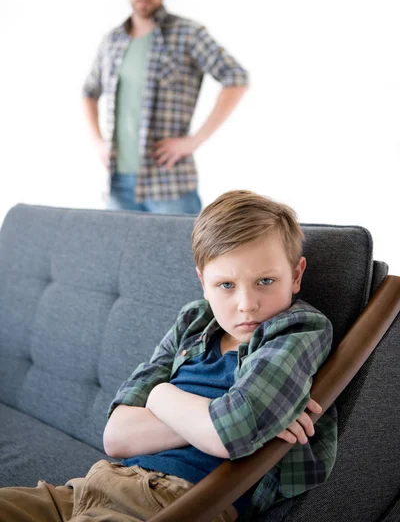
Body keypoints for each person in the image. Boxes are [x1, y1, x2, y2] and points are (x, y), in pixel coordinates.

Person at [0, 190, 337, 521]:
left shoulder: (297, 329)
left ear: (295, 275)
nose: (247, 304)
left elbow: (231, 433)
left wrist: (161, 397)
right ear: (203, 282)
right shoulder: (194, 321)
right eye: (226, 285)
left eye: (265, 281)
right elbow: (116, 435)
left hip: (175, 500)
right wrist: (226, 416)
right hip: (94, 485)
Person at [83, 0, 249, 214]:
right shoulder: (111, 41)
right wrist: (99, 142)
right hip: (119, 184)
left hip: (169, 184)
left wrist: (193, 141)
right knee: (119, 257)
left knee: (184, 257)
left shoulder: (188, 34)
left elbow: (237, 78)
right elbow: (88, 91)